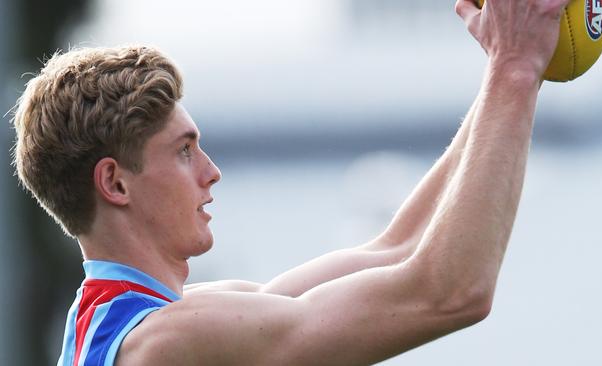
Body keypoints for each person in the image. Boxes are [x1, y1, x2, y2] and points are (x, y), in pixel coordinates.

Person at [11, 0, 569, 364]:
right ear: (115, 183)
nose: (211, 172)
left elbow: (396, 249)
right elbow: (448, 293)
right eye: (183, 153)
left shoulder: (137, 321)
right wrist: (515, 69)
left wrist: (512, 64)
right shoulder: (166, 343)